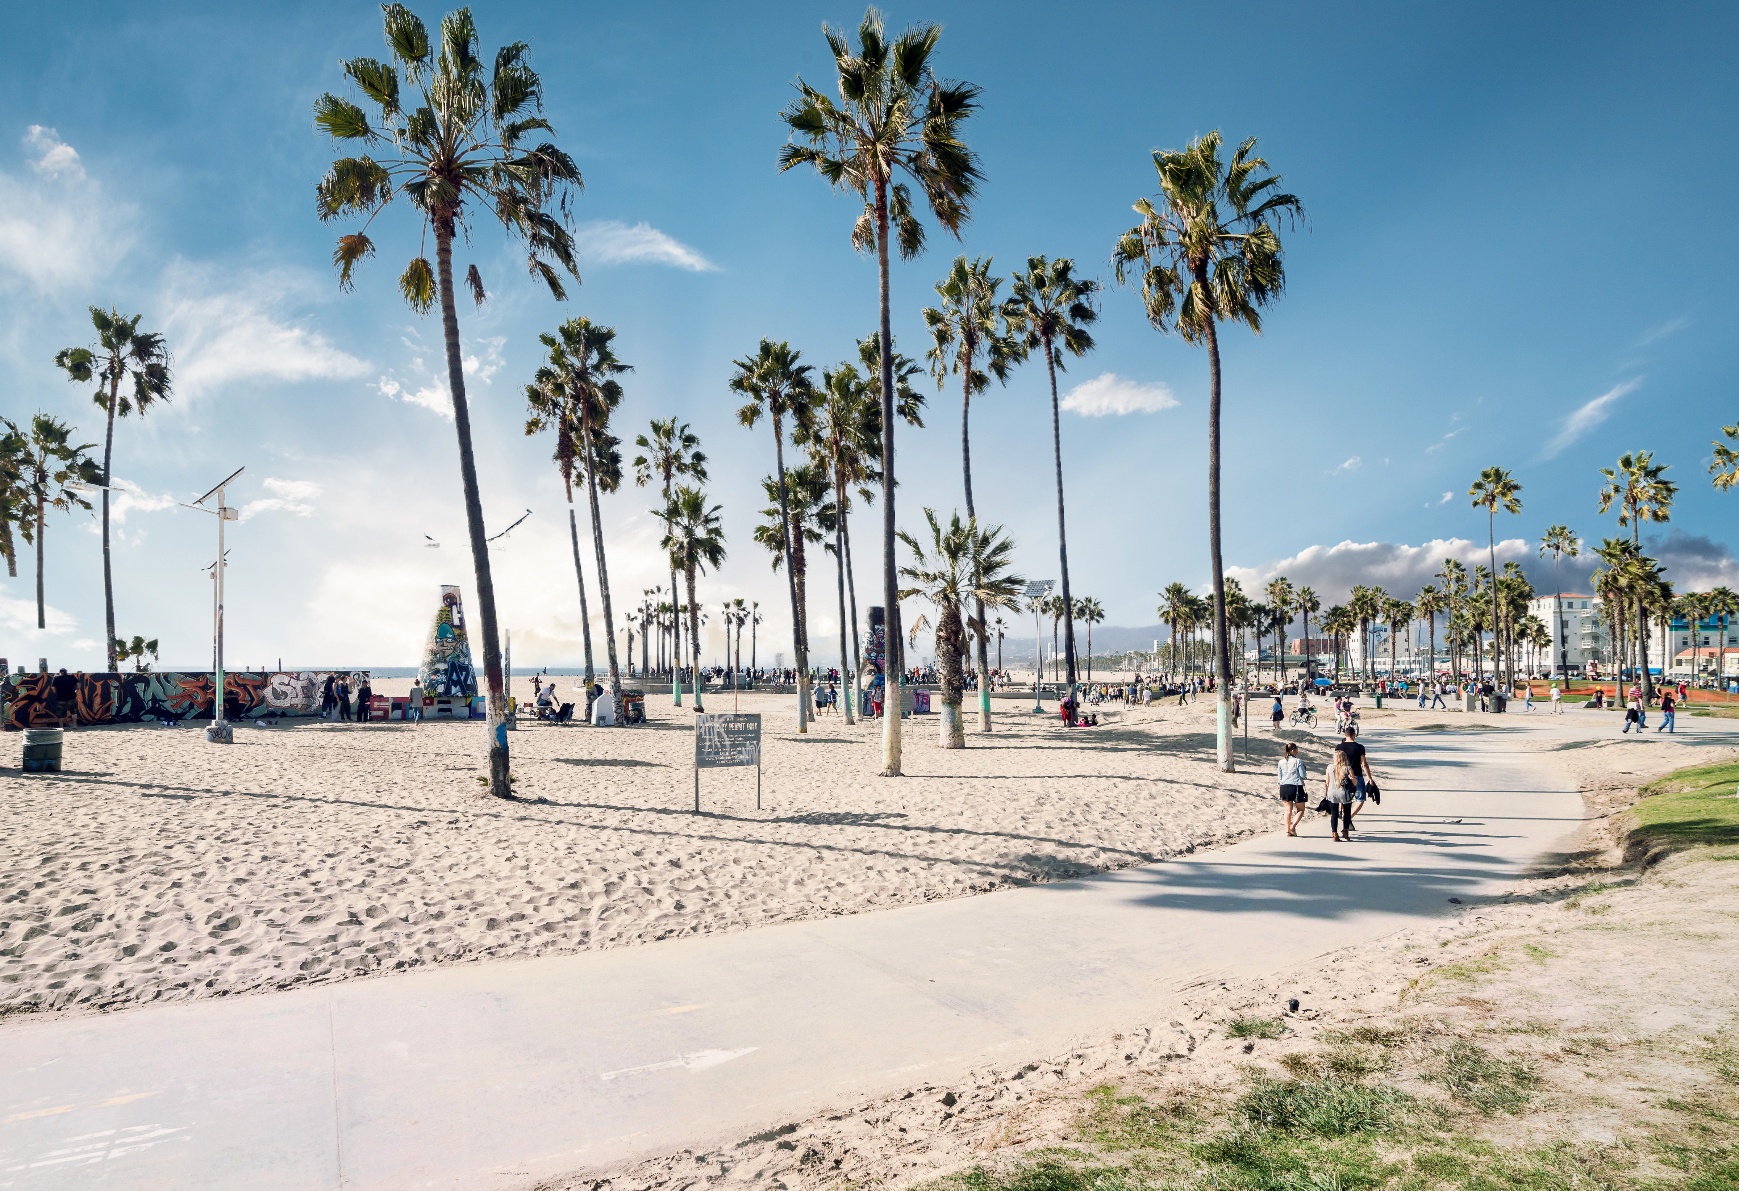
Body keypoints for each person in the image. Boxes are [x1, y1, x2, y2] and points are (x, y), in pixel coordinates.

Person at [1334, 725, 1376, 827]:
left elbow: (1336, 762)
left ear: (1345, 734)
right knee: (1360, 799)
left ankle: (1343, 813)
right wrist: (1370, 778)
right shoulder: (1360, 747)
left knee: (1344, 796)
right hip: (1356, 775)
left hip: (1341, 775)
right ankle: (1348, 818)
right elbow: (1364, 764)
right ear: (1354, 735)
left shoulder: (1339, 747)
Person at [1322, 746, 1355, 842]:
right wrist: (1352, 779)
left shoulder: (1329, 767)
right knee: (1347, 812)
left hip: (1332, 792)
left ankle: (1334, 833)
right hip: (1344, 793)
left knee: (1334, 813)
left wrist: (1326, 793)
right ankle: (1345, 831)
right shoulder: (1348, 768)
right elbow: (1354, 782)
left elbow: (1327, 782)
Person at [1278, 742, 1308, 836]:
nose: (1297, 752)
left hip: (1284, 786)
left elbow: (1279, 777)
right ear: (1293, 750)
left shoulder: (1281, 761)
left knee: (1287, 810)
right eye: (1297, 750)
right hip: (1296, 786)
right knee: (1301, 809)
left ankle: (1287, 830)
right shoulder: (1298, 761)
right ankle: (1293, 827)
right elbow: (1303, 775)